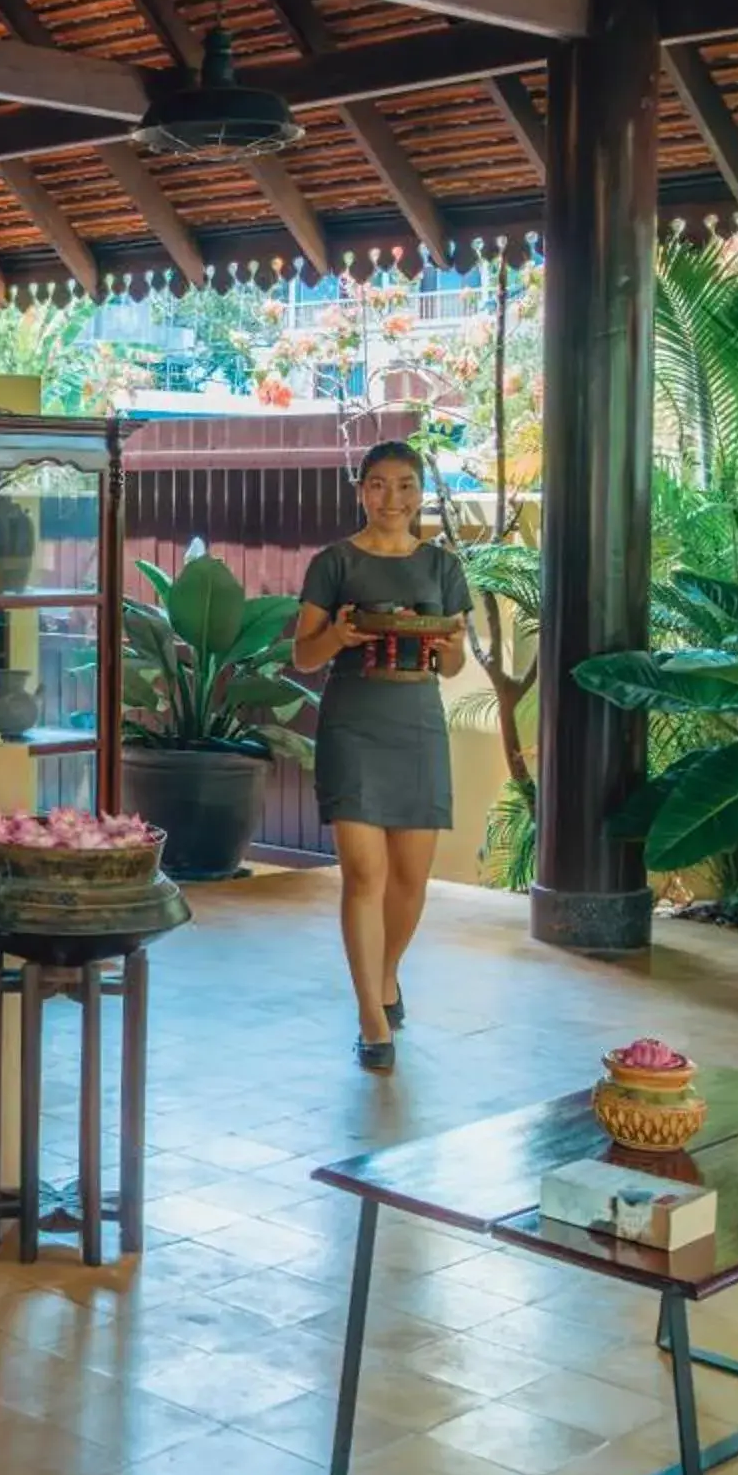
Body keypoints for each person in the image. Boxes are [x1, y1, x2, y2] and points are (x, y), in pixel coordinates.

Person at [293, 441, 470, 1071]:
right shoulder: (334, 562)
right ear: (361, 490)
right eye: (377, 485)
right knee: (364, 875)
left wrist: (445, 641)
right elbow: (305, 657)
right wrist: (340, 634)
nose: (390, 498)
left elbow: (453, 664)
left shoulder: (443, 567)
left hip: (418, 722)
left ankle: (387, 974)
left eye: (403, 486)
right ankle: (372, 1016)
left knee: (410, 879)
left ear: (419, 493)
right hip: (352, 722)